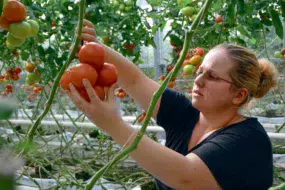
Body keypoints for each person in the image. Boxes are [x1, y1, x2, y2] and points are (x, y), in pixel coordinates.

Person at [66, 19, 279, 190]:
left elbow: (185, 177)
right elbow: (134, 81)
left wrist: (113, 124)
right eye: (199, 71)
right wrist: (95, 47)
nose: (198, 80)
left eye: (212, 77)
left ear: (239, 95)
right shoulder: (186, 114)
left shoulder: (249, 140)